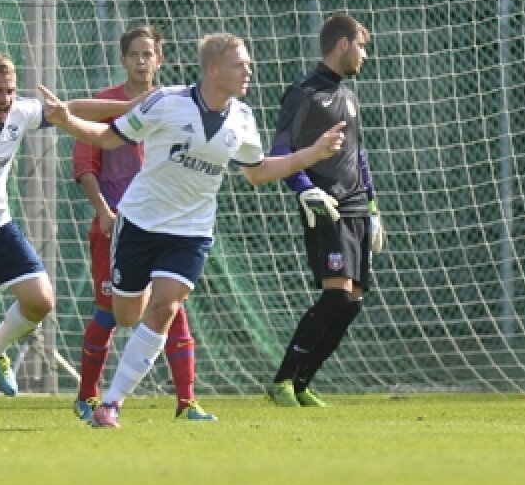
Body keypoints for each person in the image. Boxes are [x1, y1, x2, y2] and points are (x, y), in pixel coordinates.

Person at [39, 33, 346, 428]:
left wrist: (313, 153)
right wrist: (66, 120)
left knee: (166, 307)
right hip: (139, 222)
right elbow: (107, 137)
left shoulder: (243, 118)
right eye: (240, 64)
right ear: (213, 69)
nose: (248, 70)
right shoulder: (165, 102)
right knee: (127, 315)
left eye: (248, 63)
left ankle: (111, 403)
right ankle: (120, 368)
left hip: (191, 230)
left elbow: (257, 173)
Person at [0, 54, 137, 425]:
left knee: (41, 300)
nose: (5, 98)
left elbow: (69, 108)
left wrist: (130, 105)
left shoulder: (19, 113)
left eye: (9, 90)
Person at [71, 26, 215, 423]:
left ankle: (186, 401)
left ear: (159, 60)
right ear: (123, 60)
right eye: (134, 54)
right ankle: (88, 396)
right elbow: (86, 163)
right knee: (109, 312)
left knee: (172, 309)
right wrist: (102, 209)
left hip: (167, 224)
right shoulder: (106, 103)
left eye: (148, 54)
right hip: (117, 223)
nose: (141, 61)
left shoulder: (172, 104)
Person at [266, 14, 382, 407]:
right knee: (335, 296)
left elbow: (358, 154)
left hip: (355, 208)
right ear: (343, 45)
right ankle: (282, 380)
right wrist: (306, 191)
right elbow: (280, 151)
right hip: (326, 205)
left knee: (352, 303)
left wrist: (372, 204)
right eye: (362, 45)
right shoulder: (304, 93)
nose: (365, 54)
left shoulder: (349, 96)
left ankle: (301, 383)